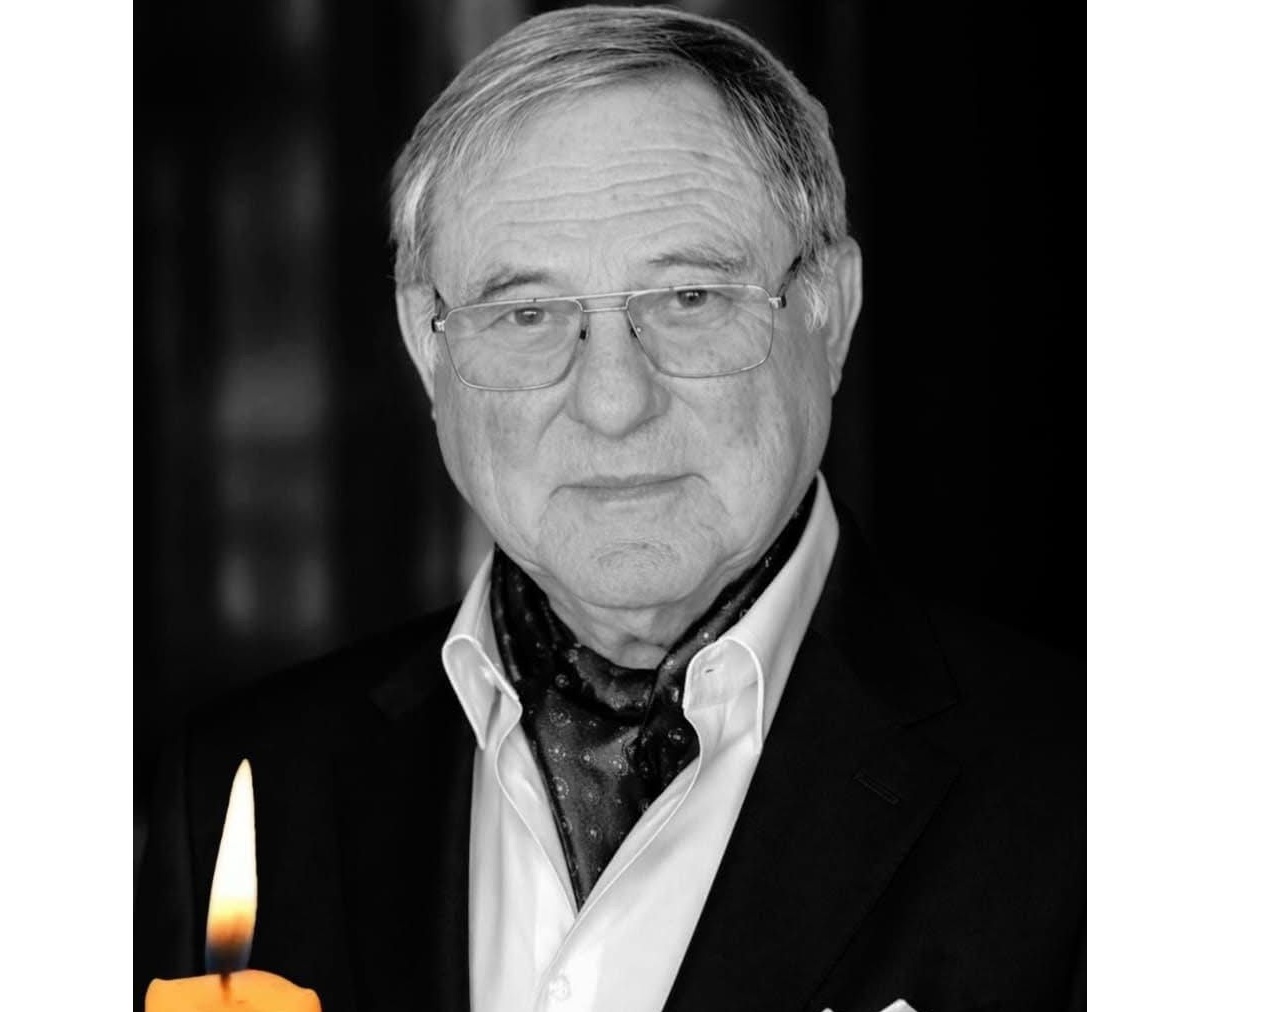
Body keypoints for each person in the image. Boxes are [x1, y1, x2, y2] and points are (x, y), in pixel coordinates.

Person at [135, 6, 1083, 1011]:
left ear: (830, 314)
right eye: (528, 314)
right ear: (429, 347)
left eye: (689, 299)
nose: (615, 402)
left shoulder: (1094, 794)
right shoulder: (243, 785)